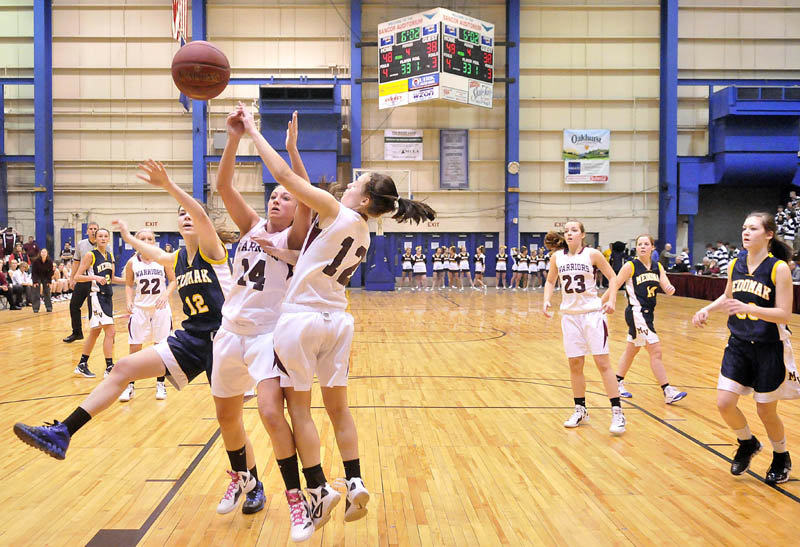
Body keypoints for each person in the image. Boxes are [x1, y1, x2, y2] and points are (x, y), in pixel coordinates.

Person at [242, 105, 434, 530]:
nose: (346, 185)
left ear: (363, 198)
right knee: (339, 409)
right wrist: (288, 254)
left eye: (354, 184)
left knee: (301, 412)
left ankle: (319, 486)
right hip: (338, 322)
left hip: (301, 321)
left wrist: (258, 134)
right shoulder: (363, 231)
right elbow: (319, 260)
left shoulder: (335, 210)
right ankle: (356, 477)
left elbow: (290, 181)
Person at [12, 158, 247, 503]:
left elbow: (195, 210)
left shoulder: (213, 251)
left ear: (203, 222)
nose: (186, 216)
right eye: (179, 214)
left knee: (229, 421)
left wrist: (169, 186)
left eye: (191, 213)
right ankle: (63, 432)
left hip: (225, 340)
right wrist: (124, 235)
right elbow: (149, 250)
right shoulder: (176, 258)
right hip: (193, 338)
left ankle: (249, 481)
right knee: (122, 368)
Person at [210, 107, 314, 534]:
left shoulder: (294, 240)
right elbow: (223, 185)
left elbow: (305, 191)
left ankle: (297, 498)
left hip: (267, 338)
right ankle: (243, 478)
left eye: (285, 197)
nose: (276, 197)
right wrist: (234, 137)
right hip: (229, 333)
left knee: (272, 415)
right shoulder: (252, 226)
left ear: (296, 211)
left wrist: (266, 137)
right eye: (273, 193)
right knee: (226, 418)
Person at [692, 212, 799, 485]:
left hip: (768, 347)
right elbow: (728, 296)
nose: (746, 232)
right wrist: (706, 308)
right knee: (724, 403)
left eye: (753, 228)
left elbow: (785, 315)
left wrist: (752, 308)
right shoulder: (735, 264)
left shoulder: (779, 269)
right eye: (744, 228)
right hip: (738, 344)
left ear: (769, 234)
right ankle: (747, 442)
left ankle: (781, 456)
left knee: (765, 411)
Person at [542, 222, 626, 435]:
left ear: (582, 234)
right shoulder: (557, 257)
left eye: (574, 230)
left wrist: (612, 300)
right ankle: (580, 409)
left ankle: (617, 411)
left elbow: (613, 277)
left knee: (602, 363)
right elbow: (550, 281)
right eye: (567, 231)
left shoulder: (593, 254)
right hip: (570, 317)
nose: (569, 233)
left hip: (592, 315)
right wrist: (546, 300)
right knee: (575, 364)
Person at [604, 235, 687, 404]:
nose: (642, 246)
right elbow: (615, 284)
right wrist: (603, 303)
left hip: (648, 314)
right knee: (655, 351)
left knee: (631, 350)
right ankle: (667, 390)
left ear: (652, 247)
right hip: (636, 313)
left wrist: (670, 288)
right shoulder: (630, 266)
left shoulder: (658, 266)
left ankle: (617, 382)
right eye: (639, 244)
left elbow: (666, 285)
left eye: (646, 244)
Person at [118, 229, 177, 403]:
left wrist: (166, 294)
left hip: (160, 308)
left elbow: (173, 280)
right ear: (136, 241)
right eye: (142, 238)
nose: (146, 240)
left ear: (154, 241)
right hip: (140, 309)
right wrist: (128, 301)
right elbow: (129, 284)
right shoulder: (131, 262)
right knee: (135, 348)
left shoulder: (163, 259)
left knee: (161, 348)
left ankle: (160, 384)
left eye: (150, 238)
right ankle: (129, 385)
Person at [71, 228, 124, 378]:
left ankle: (82, 364)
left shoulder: (109, 255)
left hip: (107, 296)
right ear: (95, 238)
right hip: (97, 297)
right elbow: (77, 276)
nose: (102, 238)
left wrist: (130, 281)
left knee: (95, 332)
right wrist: (94, 278)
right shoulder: (90, 255)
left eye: (105, 236)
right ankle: (109, 367)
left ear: (108, 239)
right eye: (100, 236)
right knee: (110, 332)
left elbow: (112, 279)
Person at [64, 222, 98, 343]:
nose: (93, 231)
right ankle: (77, 333)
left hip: (95, 282)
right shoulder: (81, 244)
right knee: (74, 305)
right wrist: (72, 278)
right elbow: (76, 262)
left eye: (95, 229)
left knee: (92, 308)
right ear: (87, 231)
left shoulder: (104, 244)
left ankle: (96, 334)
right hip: (82, 279)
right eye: (91, 229)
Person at [30, 248, 55, 313]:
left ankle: (49, 307)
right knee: (36, 292)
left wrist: (49, 281)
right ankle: (36, 308)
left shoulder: (49, 261)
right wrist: (35, 281)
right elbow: (33, 272)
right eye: (42, 252)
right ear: (40, 253)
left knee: (47, 291)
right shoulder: (36, 261)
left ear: (47, 254)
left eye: (45, 252)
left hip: (46, 277)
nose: (43, 254)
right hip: (37, 276)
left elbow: (51, 272)